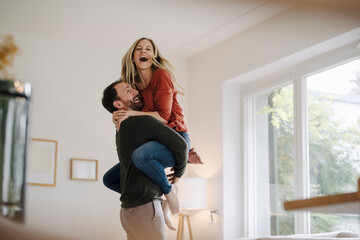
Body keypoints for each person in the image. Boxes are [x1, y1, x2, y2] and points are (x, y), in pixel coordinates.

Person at [104, 37, 202, 216]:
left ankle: (169, 191)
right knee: (110, 178)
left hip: (175, 134)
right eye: (139, 49)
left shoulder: (161, 76)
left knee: (140, 156)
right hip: (154, 139)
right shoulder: (133, 85)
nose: (144, 52)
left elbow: (163, 117)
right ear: (133, 57)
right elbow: (130, 109)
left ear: (153, 56)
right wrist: (118, 116)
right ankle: (157, 199)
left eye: (148, 49)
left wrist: (131, 113)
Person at [102, 80, 188, 239]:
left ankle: (166, 195)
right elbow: (182, 147)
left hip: (128, 212)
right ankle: (169, 191)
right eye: (128, 91)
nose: (135, 91)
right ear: (119, 104)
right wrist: (178, 176)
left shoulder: (120, 127)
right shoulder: (140, 121)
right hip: (146, 210)